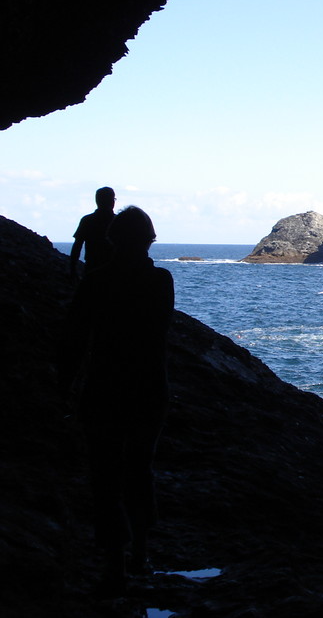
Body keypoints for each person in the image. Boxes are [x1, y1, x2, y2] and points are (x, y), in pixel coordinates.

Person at [60, 206, 174, 596]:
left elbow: (75, 340)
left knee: (105, 475)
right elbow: (160, 333)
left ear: (112, 240)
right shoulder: (161, 280)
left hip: (104, 386)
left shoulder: (97, 282)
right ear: (149, 240)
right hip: (149, 386)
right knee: (140, 468)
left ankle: (116, 563)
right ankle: (142, 552)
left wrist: (63, 389)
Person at [69, 186, 116, 276]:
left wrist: (72, 269)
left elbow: (77, 246)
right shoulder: (119, 221)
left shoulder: (87, 220)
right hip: (114, 269)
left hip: (92, 267)